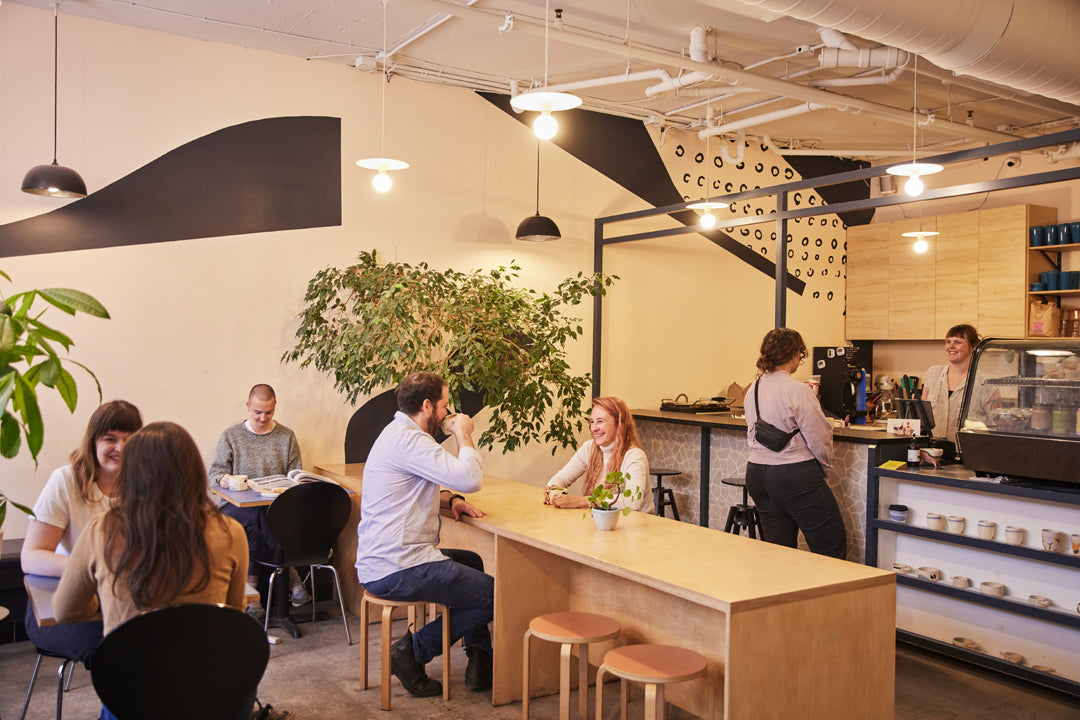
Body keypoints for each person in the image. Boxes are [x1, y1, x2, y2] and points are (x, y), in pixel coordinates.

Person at [53, 422, 251, 720]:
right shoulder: (229, 531)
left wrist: (109, 604)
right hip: (212, 694)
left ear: (130, 473)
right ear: (194, 470)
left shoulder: (101, 530)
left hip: (132, 696)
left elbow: (64, 611)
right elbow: (234, 612)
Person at [355, 371, 493, 698]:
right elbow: (470, 477)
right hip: (399, 565)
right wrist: (463, 433)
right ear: (428, 406)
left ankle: (479, 660)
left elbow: (410, 488)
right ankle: (411, 652)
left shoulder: (397, 433)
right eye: (445, 407)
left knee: (472, 561)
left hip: (385, 560)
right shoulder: (411, 440)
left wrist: (450, 500)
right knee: (496, 596)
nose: (448, 414)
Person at [20, 400, 143, 668]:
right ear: (93, 442)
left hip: (122, 597)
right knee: (119, 651)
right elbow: (31, 557)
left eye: (128, 440)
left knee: (166, 638)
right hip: (61, 603)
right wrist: (95, 567)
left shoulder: (145, 482)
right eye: (110, 439)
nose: (120, 448)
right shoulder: (66, 481)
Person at [208, 384, 309, 625]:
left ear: (275, 408)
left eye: (269, 413)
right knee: (260, 516)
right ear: (248, 407)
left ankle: (253, 598)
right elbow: (214, 475)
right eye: (257, 413)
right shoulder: (231, 435)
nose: (263, 418)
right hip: (237, 509)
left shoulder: (286, 436)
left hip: (275, 507)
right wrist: (224, 478)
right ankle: (293, 578)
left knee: (265, 517)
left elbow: (296, 473)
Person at [744, 328, 847, 559]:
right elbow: (819, 437)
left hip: (757, 473)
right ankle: (827, 596)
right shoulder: (799, 390)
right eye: (800, 353)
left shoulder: (754, 389)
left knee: (779, 553)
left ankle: (781, 593)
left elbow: (752, 433)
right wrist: (824, 469)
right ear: (794, 353)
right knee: (831, 548)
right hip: (794, 474)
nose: (801, 358)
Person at [544, 396, 653, 513]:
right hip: (604, 524)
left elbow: (633, 501)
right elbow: (560, 479)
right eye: (592, 422)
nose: (594, 428)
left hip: (637, 526)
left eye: (600, 421)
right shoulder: (589, 448)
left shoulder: (634, 455)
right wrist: (554, 491)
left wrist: (583, 501)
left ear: (619, 424)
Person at [921, 323, 980, 446]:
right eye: (948, 341)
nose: (951, 346)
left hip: (967, 453)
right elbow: (922, 415)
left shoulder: (983, 382)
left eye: (958, 342)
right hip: (932, 452)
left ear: (973, 347)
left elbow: (993, 426)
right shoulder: (932, 373)